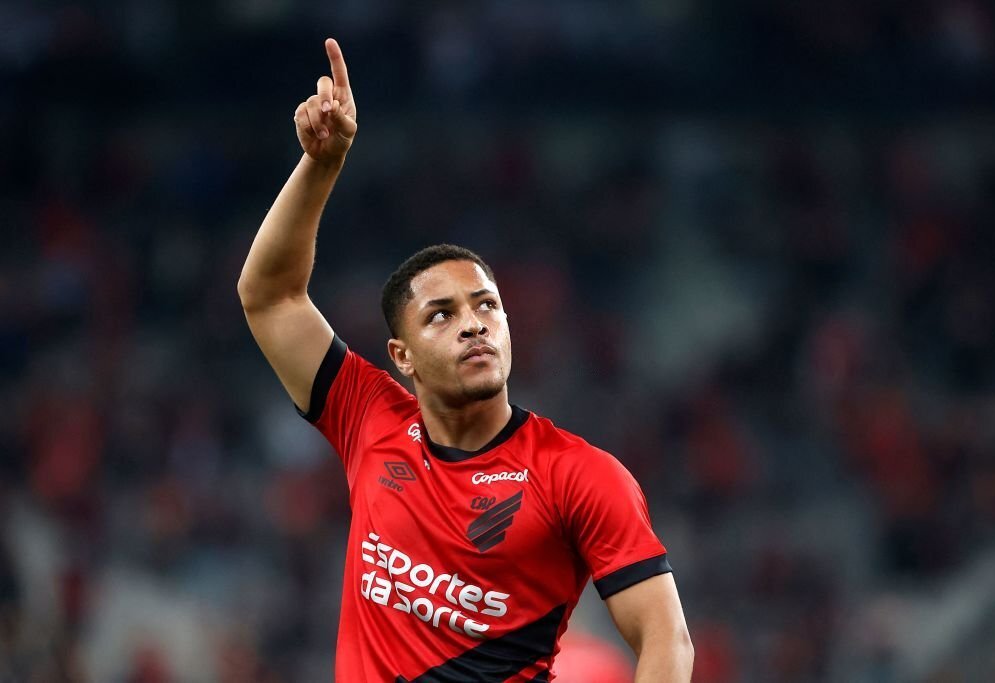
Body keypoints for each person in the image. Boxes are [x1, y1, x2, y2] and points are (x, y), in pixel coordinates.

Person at [237, 37, 695, 682]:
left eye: (487, 306)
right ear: (401, 356)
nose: (474, 324)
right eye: (442, 315)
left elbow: (667, 639)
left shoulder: (578, 476)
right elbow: (270, 296)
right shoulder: (367, 417)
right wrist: (321, 165)